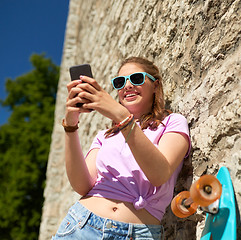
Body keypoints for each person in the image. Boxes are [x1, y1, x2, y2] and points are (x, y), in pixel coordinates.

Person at [53, 57, 191, 239]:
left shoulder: (172, 123)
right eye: (120, 82)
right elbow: (82, 186)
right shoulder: (105, 136)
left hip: (138, 233)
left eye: (136, 79)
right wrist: (71, 125)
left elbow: (159, 174)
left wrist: (122, 116)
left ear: (155, 85)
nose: (127, 86)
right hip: (82, 225)